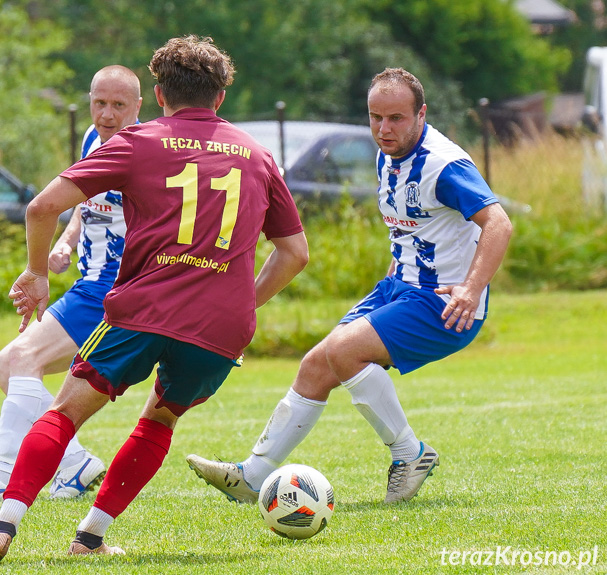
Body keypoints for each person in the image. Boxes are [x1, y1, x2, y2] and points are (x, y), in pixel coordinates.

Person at [0, 35, 309, 561]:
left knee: (65, 412)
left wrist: (36, 272)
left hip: (146, 308)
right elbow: (294, 252)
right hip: (221, 326)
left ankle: (2, 528)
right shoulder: (256, 154)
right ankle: (89, 538)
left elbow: (41, 208)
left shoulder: (140, 142)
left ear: (158, 96)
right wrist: (244, 302)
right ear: (220, 97)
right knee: (159, 419)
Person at [187, 67, 513, 505]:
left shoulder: (444, 164)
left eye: (396, 118)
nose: (383, 128)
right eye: (375, 117)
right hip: (399, 287)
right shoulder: (388, 155)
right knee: (316, 365)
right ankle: (253, 476)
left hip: (444, 300)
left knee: (343, 352)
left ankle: (409, 453)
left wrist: (471, 289)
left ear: (422, 114)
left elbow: (499, 222)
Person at [0, 65, 142, 502]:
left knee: (19, 362)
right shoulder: (94, 138)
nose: (107, 114)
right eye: (99, 102)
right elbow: (85, 203)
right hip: (90, 283)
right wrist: (68, 242)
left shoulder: (140, 153)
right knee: (7, 367)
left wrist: (39, 272)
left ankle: (1, 477)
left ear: (139, 107)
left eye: (118, 105)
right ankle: (74, 463)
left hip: (111, 290)